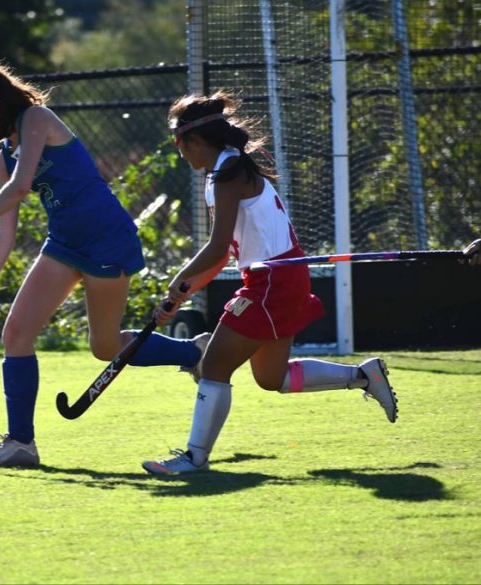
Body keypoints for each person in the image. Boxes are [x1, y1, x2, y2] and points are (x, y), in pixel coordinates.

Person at [0, 64, 210, 469]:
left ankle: (193, 352)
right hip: (65, 245)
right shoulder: (2, 155)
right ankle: (21, 444)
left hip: (106, 238)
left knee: (103, 348)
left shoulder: (36, 119)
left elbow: (20, 188)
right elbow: (6, 234)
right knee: (15, 333)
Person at [143, 91, 400, 475]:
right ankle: (363, 376)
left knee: (213, 366)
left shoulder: (227, 174)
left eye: (178, 144)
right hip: (278, 275)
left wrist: (179, 280)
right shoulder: (228, 169)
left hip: (272, 280)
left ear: (194, 141)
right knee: (270, 377)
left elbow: (215, 248)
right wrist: (184, 292)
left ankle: (194, 458)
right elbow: (226, 254)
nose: (180, 153)